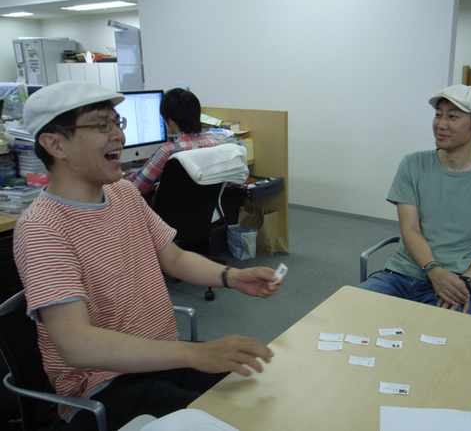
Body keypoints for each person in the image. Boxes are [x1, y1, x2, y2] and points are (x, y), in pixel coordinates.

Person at [13, 80, 282, 430]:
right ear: (55, 144)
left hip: (161, 358)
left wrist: (233, 276)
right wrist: (195, 352)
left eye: (117, 122)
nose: (119, 135)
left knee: (265, 397)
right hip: (106, 387)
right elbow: (76, 344)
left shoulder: (123, 193)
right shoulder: (42, 228)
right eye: (101, 125)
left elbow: (174, 259)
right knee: (231, 421)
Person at [358, 84, 471, 314]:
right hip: (399, 276)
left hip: (454, 283)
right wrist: (434, 270)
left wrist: (467, 281)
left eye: (453, 117)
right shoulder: (413, 164)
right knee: (344, 314)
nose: (441, 124)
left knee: (440, 335)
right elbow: (410, 228)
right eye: (438, 115)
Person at [124, 87, 219, 196]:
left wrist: (129, 174)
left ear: (171, 120)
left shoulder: (168, 151)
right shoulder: (215, 146)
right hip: (208, 207)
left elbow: (136, 187)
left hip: (165, 207)